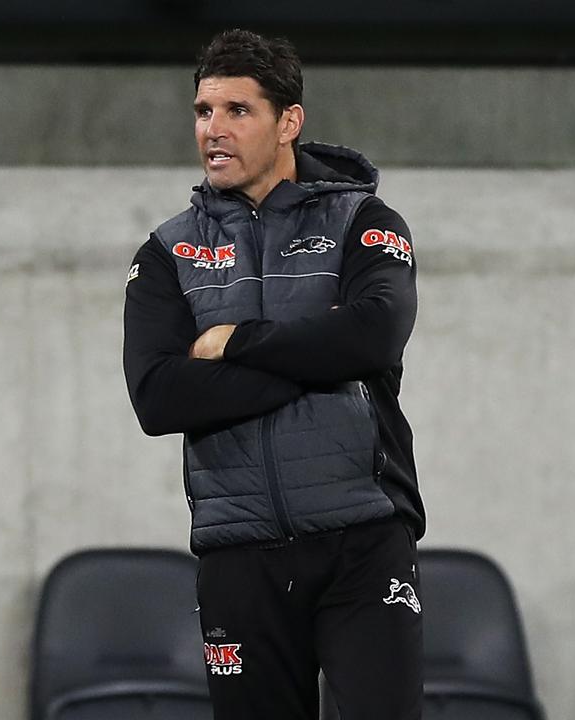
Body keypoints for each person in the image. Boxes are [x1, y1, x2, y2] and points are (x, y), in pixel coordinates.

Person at [123, 28, 425, 719]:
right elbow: (158, 396)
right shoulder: (169, 252)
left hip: (363, 540)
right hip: (239, 554)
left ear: (289, 121)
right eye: (204, 111)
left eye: (238, 111)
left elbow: (375, 335)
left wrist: (236, 341)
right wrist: (314, 362)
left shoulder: (364, 221)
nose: (214, 131)